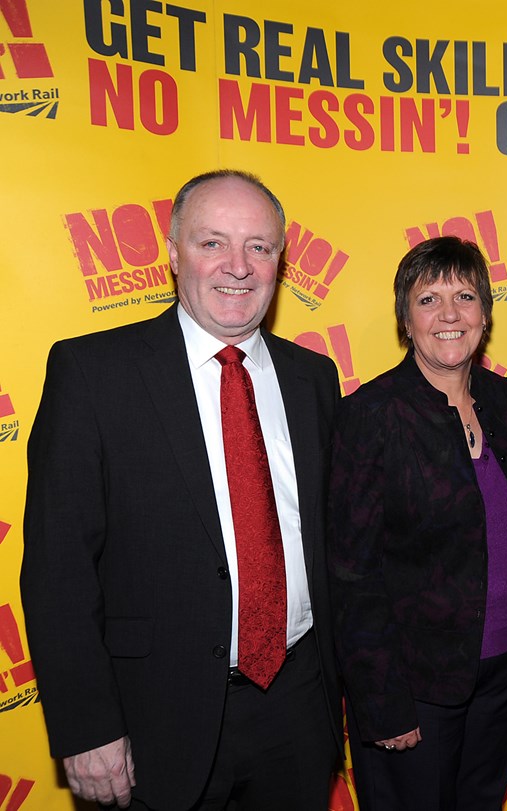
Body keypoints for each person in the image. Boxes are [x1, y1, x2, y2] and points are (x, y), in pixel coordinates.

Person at [21, 170, 342, 809]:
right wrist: (87, 727)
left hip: (299, 707)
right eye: (212, 243)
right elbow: (59, 569)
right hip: (152, 721)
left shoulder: (314, 378)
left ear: (281, 259)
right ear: (172, 253)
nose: (239, 266)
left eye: (259, 246)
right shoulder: (92, 373)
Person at [328, 236, 507, 811]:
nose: (449, 315)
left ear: (485, 314)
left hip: (501, 668)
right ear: (405, 318)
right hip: (414, 686)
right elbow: (351, 574)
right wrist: (383, 701)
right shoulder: (370, 415)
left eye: (465, 296)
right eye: (429, 299)